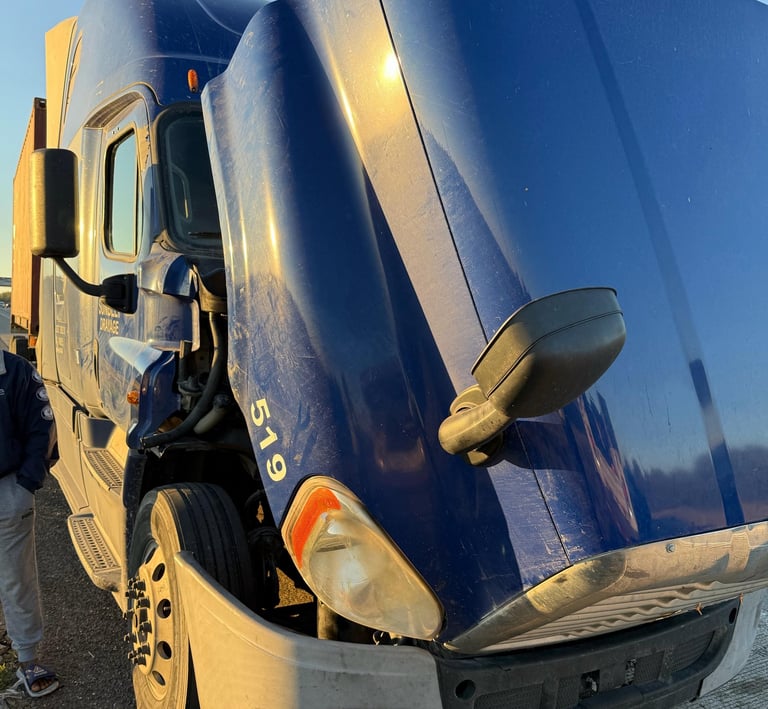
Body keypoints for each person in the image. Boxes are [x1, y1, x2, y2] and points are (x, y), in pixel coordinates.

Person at [0, 349, 59, 698]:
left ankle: (27, 660)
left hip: (8, 492)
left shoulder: (16, 371)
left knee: (17, 579)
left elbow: (42, 426)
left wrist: (27, 483)